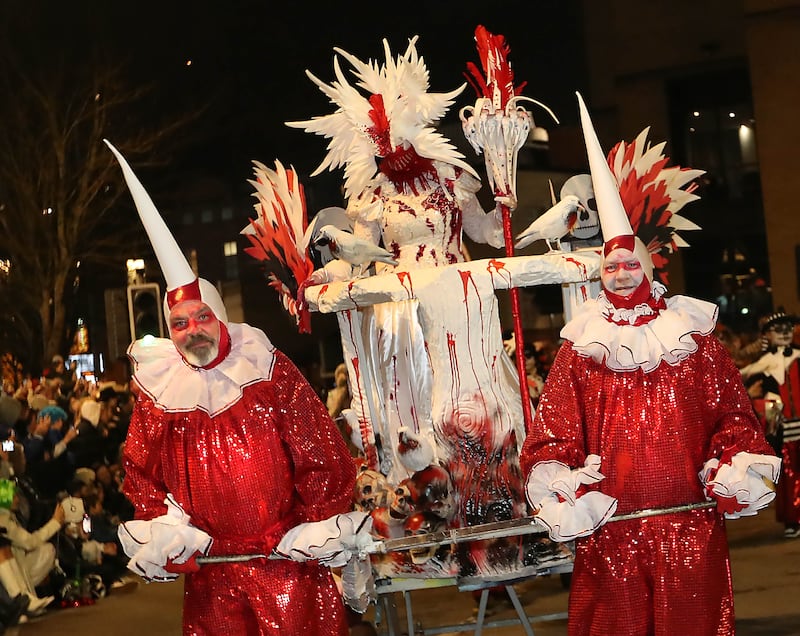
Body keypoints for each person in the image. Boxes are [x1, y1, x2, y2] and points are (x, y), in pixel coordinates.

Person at [519, 94, 780, 635]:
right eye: (610, 267)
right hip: (611, 532)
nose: (618, 275)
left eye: (628, 265)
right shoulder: (580, 347)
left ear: (646, 266)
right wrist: (561, 475)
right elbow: (553, 429)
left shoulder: (697, 340)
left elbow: (731, 415)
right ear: (600, 274)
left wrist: (729, 463)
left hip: (689, 529)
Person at [106, 142, 365, 635]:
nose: (192, 330)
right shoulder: (160, 395)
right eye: (179, 323)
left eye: (202, 317)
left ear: (221, 317)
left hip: (284, 565)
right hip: (211, 576)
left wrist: (315, 524)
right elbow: (141, 468)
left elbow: (321, 450)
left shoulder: (268, 372)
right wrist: (165, 529)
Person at [740, 311, 800, 538]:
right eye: (779, 329)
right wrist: (760, 401)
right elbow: (739, 378)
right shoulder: (765, 361)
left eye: (788, 328)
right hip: (783, 427)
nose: (785, 333)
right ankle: (793, 519)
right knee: (788, 474)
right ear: (768, 335)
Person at [0, 480, 62, 616]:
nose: (18, 499)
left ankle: (27, 599)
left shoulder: (9, 517)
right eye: (14, 496)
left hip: (17, 567)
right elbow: (30, 542)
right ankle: (22, 600)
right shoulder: (3, 520)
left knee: (46, 550)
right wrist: (55, 522)